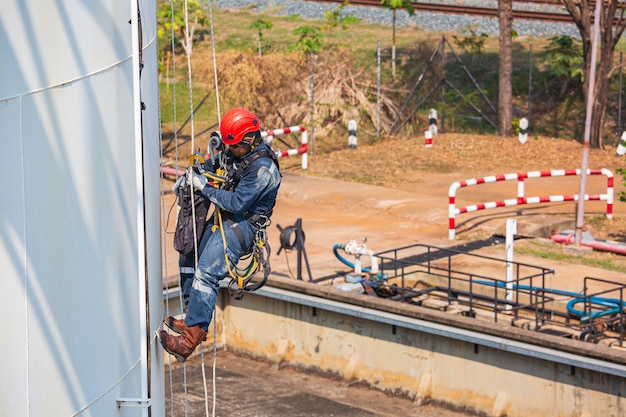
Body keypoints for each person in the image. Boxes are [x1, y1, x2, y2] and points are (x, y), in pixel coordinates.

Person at [160, 108, 282, 362]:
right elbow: (215, 164)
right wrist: (191, 177)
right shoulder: (237, 151)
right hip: (226, 217)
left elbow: (237, 203)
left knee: (207, 272)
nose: (230, 150)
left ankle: (189, 341)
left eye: (234, 145)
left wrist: (203, 187)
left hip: (243, 226)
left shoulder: (263, 169)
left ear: (249, 139)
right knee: (189, 256)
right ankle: (193, 317)